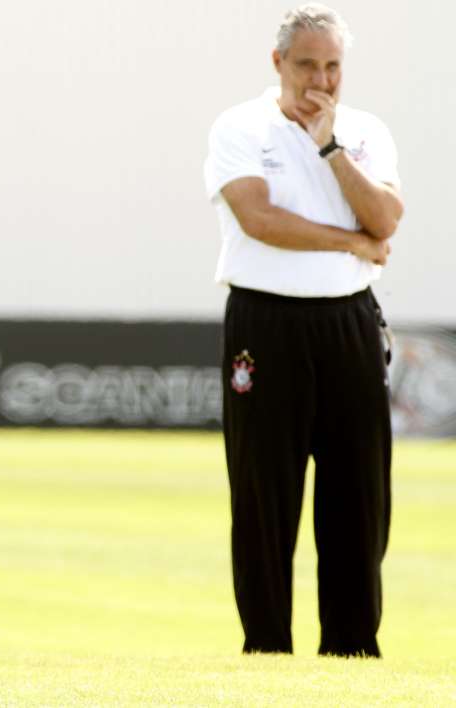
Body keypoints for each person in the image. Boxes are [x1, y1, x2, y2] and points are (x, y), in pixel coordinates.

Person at [203, 4, 402, 657]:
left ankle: (350, 650)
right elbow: (259, 219)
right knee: (265, 492)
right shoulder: (241, 125)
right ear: (279, 63)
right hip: (266, 320)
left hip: (347, 319)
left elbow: (386, 217)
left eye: (333, 66)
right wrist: (351, 240)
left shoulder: (365, 130)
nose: (321, 78)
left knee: (359, 492)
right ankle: (267, 650)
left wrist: (330, 145)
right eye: (308, 64)